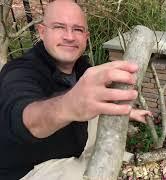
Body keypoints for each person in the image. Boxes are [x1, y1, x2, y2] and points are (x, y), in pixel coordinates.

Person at [0, 0, 151, 179]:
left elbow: (88, 102)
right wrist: (67, 105)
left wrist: (125, 110)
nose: (69, 37)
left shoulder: (81, 68)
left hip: (75, 153)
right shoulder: (19, 71)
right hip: (31, 171)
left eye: (78, 29)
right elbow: (27, 118)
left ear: (86, 36)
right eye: (59, 27)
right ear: (42, 31)